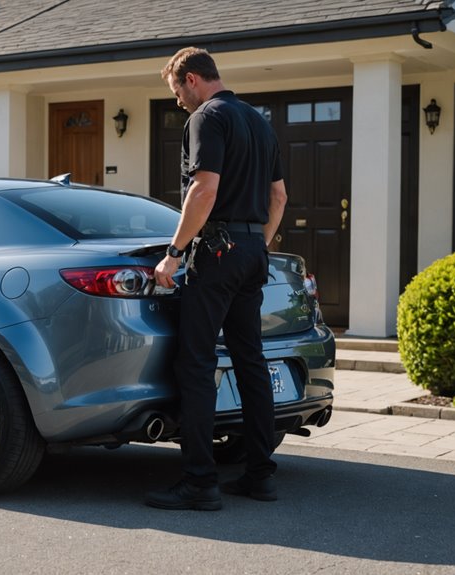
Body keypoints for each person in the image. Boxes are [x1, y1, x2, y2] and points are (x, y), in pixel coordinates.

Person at [147, 47, 288, 511]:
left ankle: (200, 482)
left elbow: (203, 188)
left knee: (196, 362)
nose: (178, 103)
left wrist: (174, 253)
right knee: (250, 360)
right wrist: (257, 246)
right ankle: (261, 475)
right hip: (251, 251)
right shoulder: (258, 120)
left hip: (218, 250)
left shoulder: (207, 117)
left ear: (190, 79)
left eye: (176, 92)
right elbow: (279, 196)